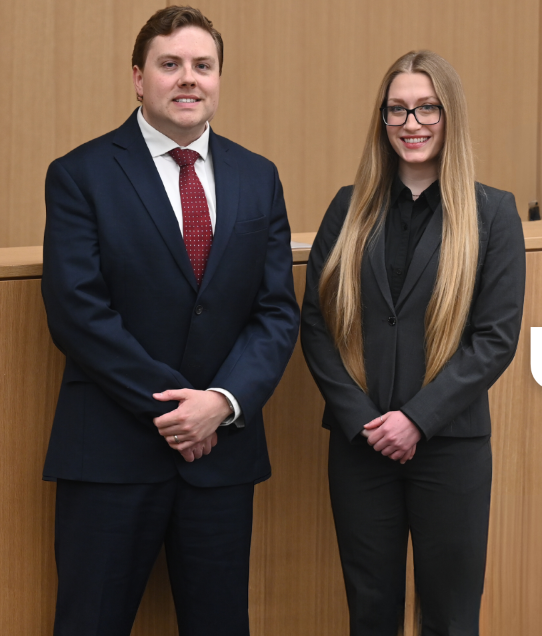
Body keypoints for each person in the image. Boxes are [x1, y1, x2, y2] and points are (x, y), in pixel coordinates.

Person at [40, 6, 299, 635]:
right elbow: (77, 311)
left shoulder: (257, 178)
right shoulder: (81, 175)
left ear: (217, 79)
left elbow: (275, 312)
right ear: (138, 77)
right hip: (109, 455)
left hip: (221, 462)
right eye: (171, 64)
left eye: (202, 66)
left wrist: (222, 403)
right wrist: (179, 412)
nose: (189, 79)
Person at [301, 50, 525, 636]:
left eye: (428, 108)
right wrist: (363, 419)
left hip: (450, 448)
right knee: (369, 611)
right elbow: (317, 324)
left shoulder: (492, 213)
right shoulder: (348, 209)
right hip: (361, 446)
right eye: (397, 109)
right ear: (382, 119)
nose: (412, 123)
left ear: (450, 116)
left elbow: (494, 338)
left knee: (450, 617)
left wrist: (416, 421)